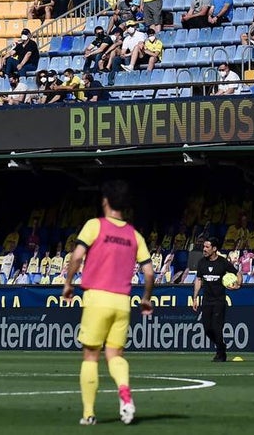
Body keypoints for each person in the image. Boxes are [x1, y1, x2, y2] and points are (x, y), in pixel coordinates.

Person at [60, 179, 154, 426]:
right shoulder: (134, 235)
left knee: (91, 355)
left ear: (105, 201)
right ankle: (125, 395)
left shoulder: (95, 226)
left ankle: (89, 414)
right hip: (122, 302)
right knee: (115, 354)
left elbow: (77, 256)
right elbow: (149, 272)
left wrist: (68, 283)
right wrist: (146, 298)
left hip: (97, 298)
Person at [192, 236, 239, 362]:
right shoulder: (202, 262)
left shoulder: (223, 262)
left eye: (207, 247)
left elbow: (238, 273)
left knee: (217, 328)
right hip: (206, 301)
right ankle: (221, 346)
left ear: (214, 248)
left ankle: (220, 354)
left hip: (219, 301)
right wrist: (195, 298)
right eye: (204, 246)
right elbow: (198, 279)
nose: (204, 249)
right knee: (207, 329)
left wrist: (238, 284)